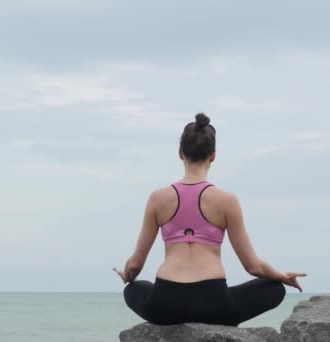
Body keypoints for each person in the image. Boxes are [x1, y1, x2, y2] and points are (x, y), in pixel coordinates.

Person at [112, 113, 307, 327]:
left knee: (133, 289)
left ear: (180, 153)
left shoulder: (158, 198)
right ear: (213, 155)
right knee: (275, 288)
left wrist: (126, 275)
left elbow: (135, 265)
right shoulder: (226, 200)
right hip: (213, 304)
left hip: (164, 304)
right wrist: (281, 276)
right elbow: (254, 267)